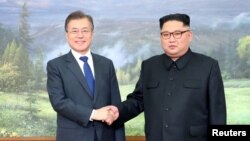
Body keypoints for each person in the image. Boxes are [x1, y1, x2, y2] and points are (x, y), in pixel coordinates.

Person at [109, 13, 227, 141]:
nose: (171, 39)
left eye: (177, 33)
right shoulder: (149, 66)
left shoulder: (208, 66)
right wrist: (117, 111)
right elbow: (138, 101)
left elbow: (217, 116)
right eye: (166, 34)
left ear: (189, 36)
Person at [46, 10, 125, 141]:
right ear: (67, 35)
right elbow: (58, 102)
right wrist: (94, 114)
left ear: (92, 34)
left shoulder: (106, 64)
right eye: (74, 31)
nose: (80, 35)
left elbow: (115, 107)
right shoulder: (55, 66)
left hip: (106, 136)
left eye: (85, 30)